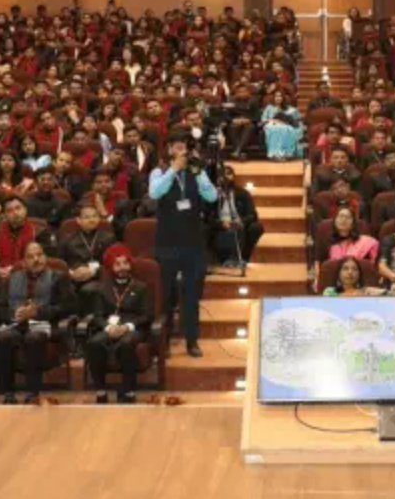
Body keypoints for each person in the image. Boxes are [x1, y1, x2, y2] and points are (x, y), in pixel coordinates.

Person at [148, 134, 217, 359]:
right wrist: (173, 170)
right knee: (166, 295)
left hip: (192, 242)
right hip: (167, 242)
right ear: (169, 149)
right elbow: (155, 193)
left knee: (191, 295)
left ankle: (192, 340)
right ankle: (165, 341)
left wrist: (199, 172)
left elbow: (212, 196)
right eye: (176, 147)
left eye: (184, 147)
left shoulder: (196, 172)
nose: (180, 151)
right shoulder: (159, 171)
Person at [0, 242, 75, 404]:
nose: (36, 260)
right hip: (16, 323)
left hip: (45, 323)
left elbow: (69, 306)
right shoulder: (11, 279)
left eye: (39, 255)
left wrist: (38, 312)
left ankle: (33, 392)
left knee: (33, 338)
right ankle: (8, 393)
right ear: (23, 261)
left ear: (45, 256)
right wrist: (14, 314)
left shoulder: (58, 277)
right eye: (30, 257)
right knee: (3, 338)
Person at [85, 244, 152, 404]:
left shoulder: (140, 287)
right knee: (94, 343)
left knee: (126, 343)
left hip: (133, 328)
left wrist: (126, 327)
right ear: (110, 267)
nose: (122, 267)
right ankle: (101, 391)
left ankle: (128, 391)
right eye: (117, 264)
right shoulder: (102, 289)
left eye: (125, 263)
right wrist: (109, 328)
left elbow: (146, 315)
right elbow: (97, 316)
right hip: (109, 328)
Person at [57, 204, 116, 313]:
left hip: (99, 277)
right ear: (78, 220)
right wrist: (71, 273)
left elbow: (112, 263)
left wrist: (92, 271)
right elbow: (60, 263)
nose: (91, 220)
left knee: (90, 290)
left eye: (94, 216)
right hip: (73, 279)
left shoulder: (109, 238)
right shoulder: (67, 240)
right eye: (87, 217)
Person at [212, 165, 263, 266]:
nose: (226, 177)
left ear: (234, 176)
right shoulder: (212, 195)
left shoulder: (243, 193)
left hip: (238, 224)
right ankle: (220, 259)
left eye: (229, 174)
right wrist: (221, 223)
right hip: (221, 224)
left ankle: (243, 258)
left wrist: (241, 221)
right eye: (222, 175)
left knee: (256, 227)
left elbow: (253, 215)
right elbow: (208, 216)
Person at [261, 90, 303, 160]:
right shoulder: (269, 107)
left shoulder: (289, 109)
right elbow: (263, 119)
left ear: (283, 98)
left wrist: (284, 122)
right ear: (274, 98)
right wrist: (274, 121)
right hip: (271, 125)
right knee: (276, 129)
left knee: (287, 129)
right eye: (276, 96)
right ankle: (274, 154)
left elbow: (296, 120)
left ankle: (286, 154)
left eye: (280, 96)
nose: (278, 98)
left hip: (285, 125)